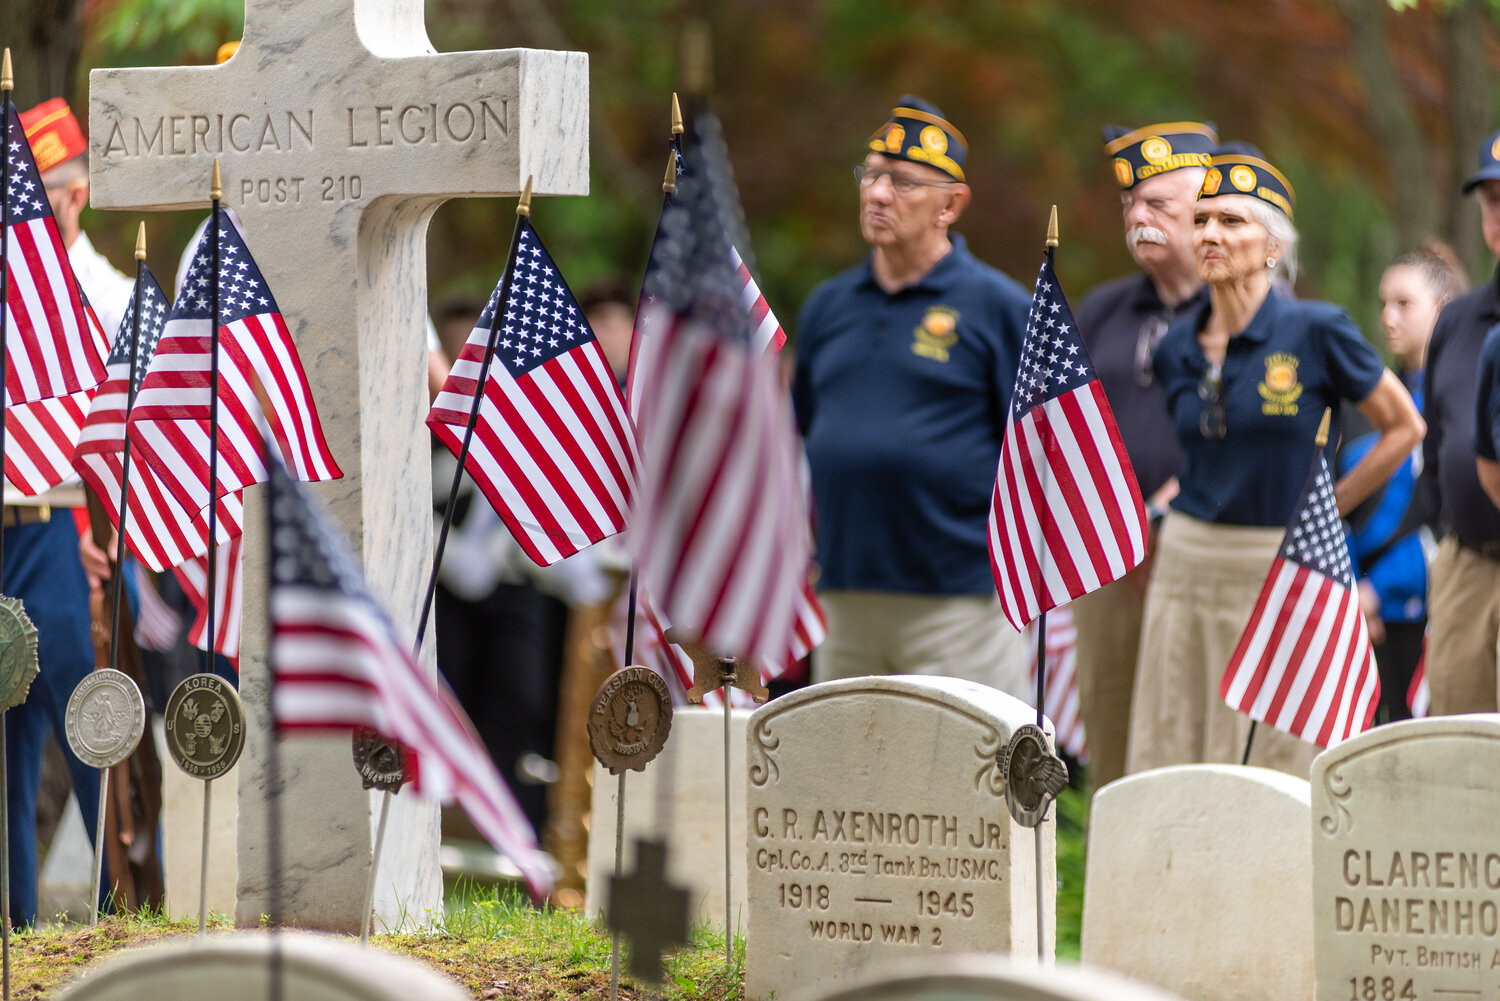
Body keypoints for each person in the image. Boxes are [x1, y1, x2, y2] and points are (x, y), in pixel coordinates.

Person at [1126, 144, 1424, 778]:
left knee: (1273, 757)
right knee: (1174, 738)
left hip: (1280, 564)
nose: (1210, 233)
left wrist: (1327, 507)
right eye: (1202, 218)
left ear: (1273, 247)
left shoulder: (1316, 331)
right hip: (1185, 563)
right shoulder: (1178, 341)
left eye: (1232, 221)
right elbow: (1211, 446)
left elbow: (1404, 427)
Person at [792, 96, 1030, 697]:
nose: (877, 194)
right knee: (842, 780)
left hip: (959, 602)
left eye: (902, 182)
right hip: (845, 592)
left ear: (950, 204)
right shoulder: (829, 306)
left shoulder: (999, 308)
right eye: (870, 175)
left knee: (961, 778)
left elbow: (1036, 450)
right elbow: (807, 431)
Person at [9, 98, 136, 926]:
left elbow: (127, 428)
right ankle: (13, 913)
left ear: (75, 194)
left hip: (62, 527)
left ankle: (123, 903)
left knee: (89, 715)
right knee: (7, 734)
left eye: (44, 194)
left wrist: (106, 530)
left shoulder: (107, 290)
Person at [1071, 120, 1216, 792]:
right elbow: (1061, 429)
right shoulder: (1101, 310)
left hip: (1201, 552)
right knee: (1111, 729)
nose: (1138, 216)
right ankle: (1112, 893)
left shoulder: (1242, 311)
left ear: (1204, 210)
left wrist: (1163, 512)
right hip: (1107, 560)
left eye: (1158, 203)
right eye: (1131, 203)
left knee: (1192, 736)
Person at [1340, 246, 1465, 721]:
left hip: (1430, 610)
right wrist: (1354, 590)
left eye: (1405, 304)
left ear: (1443, 309)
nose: (1388, 317)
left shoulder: (1461, 401)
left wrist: (1379, 589)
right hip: (1362, 617)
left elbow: (1445, 518)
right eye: (1383, 303)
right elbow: (1340, 507)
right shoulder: (1362, 407)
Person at [1423, 130, 1500, 715]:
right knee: (1455, 765)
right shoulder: (1458, 322)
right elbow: (1434, 444)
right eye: (1493, 200)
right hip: (1467, 568)